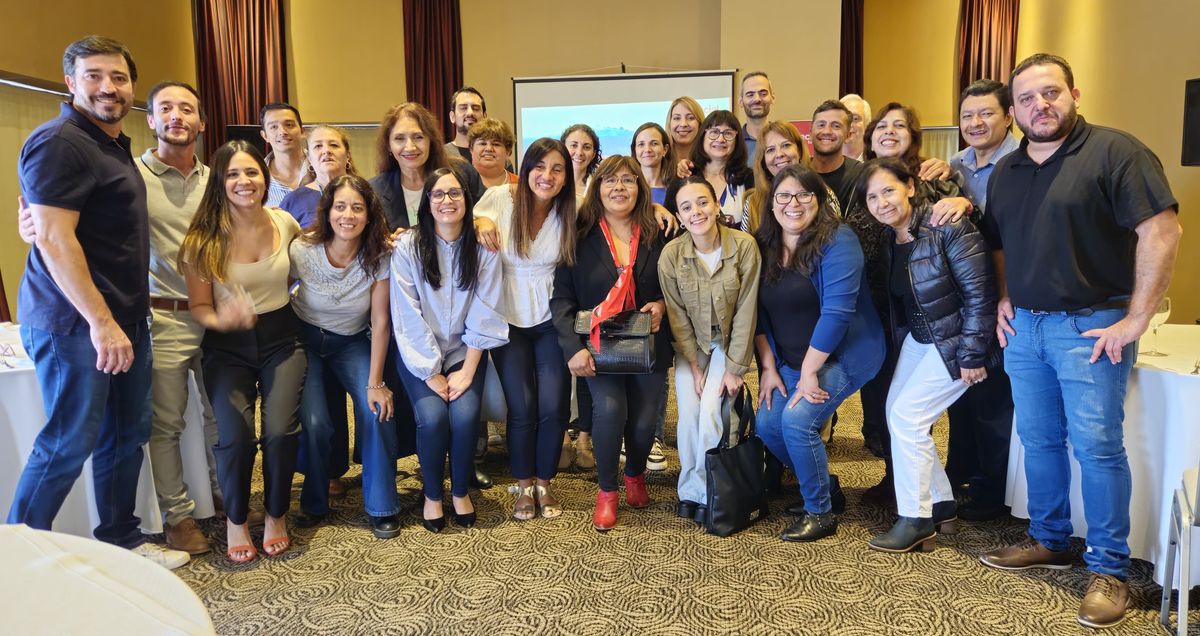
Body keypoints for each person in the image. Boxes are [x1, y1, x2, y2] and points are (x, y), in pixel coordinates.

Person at [978, 53, 1181, 629]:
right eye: (1027, 98)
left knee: (1096, 448)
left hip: (1090, 328)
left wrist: (1136, 318)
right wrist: (1002, 296)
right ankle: (1049, 538)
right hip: (1027, 329)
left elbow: (1161, 231)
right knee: (1038, 440)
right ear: (1014, 110)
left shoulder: (1117, 152)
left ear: (1074, 94)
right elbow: (998, 243)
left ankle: (1109, 568)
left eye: (1051, 93)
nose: (1040, 105)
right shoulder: (1009, 170)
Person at [10, 35, 190, 569]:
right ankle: (18, 561)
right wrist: (101, 322)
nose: (108, 87)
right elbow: (55, 240)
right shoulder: (60, 141)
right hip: (76, 325)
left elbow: (60, 225)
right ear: (70, 83)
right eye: (93, 75)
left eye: (118, 77)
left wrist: (119, 321)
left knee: (125, 434)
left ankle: (122, 540)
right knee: (68, 441)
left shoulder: (109, 143)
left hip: (122, 318)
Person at [857, 158, 999, 553]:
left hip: (956, 342)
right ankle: (941, 504)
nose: (881, 202)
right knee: (896, 413)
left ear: (910, 187)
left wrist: (971, 356)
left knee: (908, 418)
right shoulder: (891, 239)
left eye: (888, 190)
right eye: (872, 196)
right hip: (920, 339)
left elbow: (980, 294)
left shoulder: (947, 226)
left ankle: (915, 519)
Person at [179, 139, 307, 563]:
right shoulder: (203, 238)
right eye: (232, 174)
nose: (243, 181)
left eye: (251, 172)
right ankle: (236, 519)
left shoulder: (285, 222)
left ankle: (276, 515)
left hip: (282, 338)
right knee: (235, 437)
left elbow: (312, 263)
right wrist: (224, 319)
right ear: (219, 181)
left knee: (278, 430)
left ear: (264, 177)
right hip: (225, 346)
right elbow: (199, 307)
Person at [754, 164, 884, 543]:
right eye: (784, 196)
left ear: (819, 199)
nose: (793, 204)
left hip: (843, 354)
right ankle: (827, 485)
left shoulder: (838, 240)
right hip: (787, 358)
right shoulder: (765, 244)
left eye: (803, 195)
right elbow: (755, 310)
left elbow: (837, 313)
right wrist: (767, 367)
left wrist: (810, 371)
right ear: (772, 203)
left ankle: (820, 511)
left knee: (797, 422)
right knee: (766, 425)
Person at [848, 102, 970, 501]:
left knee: (913, 410)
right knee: (886, 398)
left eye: (899, 125)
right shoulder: (861, 181)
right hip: (883, 306)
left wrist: (965, 202)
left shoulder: (935, 180)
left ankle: (922, 500)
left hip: (935, 317)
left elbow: (966, 253)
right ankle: (900, 479)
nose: (889, 131)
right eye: (881, 126)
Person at [551, 155, 672, 532]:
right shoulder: (579, 233)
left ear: (641, 187)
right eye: (610, 181)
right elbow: (561, 299)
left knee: (643, 420)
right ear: (596, 188)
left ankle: (634, 474)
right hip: (598, 346)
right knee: (609, 411)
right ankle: (607, 491)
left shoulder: (662, 231)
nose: (619, 188)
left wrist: (664, 304)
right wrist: (572, 348)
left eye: (628, 180)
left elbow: (683, 284)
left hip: (650, 345)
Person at [391, 165, 508, 533]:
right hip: (419, 354)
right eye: (438, 194)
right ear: (427, 202)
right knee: (433, 418)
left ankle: (459, 491)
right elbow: (406, 314)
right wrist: (431, 371)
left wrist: (468, 370)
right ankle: (431, 494)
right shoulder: (408, 246)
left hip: (464, 352)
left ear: (467, 199)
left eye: (454, 193)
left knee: (463, 417)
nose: (446, 201)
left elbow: (486, 310)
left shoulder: (483, 247)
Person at [290, 175, 401, 539]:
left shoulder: (379, 255)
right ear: (327, 210)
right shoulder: (302, 250)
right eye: (340, 206)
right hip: (306, 341)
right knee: (316, 422)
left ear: (369, 215)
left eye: (357, 208)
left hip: (351, 342)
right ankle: (314, 501)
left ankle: (382, 506)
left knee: (377, 409)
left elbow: (380, 321)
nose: (348, 215)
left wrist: (376, 382)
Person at [475, 138, 577, 520]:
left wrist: (653, 203)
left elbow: (617, 211)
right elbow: (462, 217)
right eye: (539, 166)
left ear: (566, 177)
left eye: (557, 169)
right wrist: (479, 219)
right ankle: (522, 483)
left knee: (553, 406)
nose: (547, 176)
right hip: (506, 316)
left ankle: (544, 484)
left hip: (552, 316)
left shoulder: (573, 208)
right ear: (526, 167)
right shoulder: (501, 197)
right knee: (521, 407)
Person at [658, 175, 760, 523]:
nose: (696, 211)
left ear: (717, 205)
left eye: (703, 202)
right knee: (688, 413)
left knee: (710, 416)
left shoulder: (744, 246)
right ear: (679, 215)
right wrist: (694, 364)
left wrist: (733, 368)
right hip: (694, 347)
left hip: (730, 343)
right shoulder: (671, 255)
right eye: (686, 207)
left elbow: (747, 310)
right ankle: (690, 490)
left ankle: (709, 491)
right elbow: (677, 315)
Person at [944, 79, 1020, 521]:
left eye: (986, 113)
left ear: (1008, 116)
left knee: (995, 397)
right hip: (965, 298)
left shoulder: (1022, 162)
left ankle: (993, 492)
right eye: (967, 115)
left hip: (1005, 297)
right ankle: (963, 473)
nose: (975, 123)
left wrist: (1003, 297)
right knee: (962, 393)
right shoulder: (956, 165)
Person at [745, 120, 831, 233]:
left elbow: (835, 238)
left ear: (799, 151)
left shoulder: (823, 192)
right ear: (763, 160)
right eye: (770, 150)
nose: (779, 154)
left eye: (786, 145)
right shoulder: (752, 203)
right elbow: (746, 248)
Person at [685, 110, 755, 230]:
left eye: (728, 133)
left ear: (737, 140)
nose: (721, 139)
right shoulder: (687, 174)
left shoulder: (748, 177)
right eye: (714, 132)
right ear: (703, 136)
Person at [279, 125, 358, 228]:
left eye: (334, 145)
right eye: (318, 146)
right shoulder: (293, 200)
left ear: (347, 155)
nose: (326, 151)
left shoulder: (364, 194)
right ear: (310, 159)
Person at [808, 100, 864, 210]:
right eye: (821, 125)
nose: (827, 131)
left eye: (836, 126)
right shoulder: (799, 173)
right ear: (810, 133)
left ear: (848, 136)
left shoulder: (860, 175)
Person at [259, 102, 308, 206]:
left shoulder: (322, 167)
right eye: (273, 127)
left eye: (289, 125)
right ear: (265, 136)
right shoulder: (257, 178)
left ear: (302, 131)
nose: (282, 132)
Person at [468, 118, 518, 188]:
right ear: (471, 149)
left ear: (508, 152)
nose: (489, 149)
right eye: (482, 143)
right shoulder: (459, 182)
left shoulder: (521, 185)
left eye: (496, 144)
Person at [738, 72, 775, 165]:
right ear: (741, 101)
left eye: (763, 93)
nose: (757, 99)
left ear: (772, 97)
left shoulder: (784, 138)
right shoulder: (734, 143)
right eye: (750, 94)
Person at [631, 122, 671, 205]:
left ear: (665, 149)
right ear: (635, 150)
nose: (647, 149)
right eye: (641, 144)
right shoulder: (627, 187)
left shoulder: (675, 188)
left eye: (654, 143)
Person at [665, 96, 705, 176]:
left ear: (700, 124)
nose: (683, 124)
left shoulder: (710, 162)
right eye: (677, 118)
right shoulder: (659, 161)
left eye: (690, 118)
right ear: (669, 124)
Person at [561, 124, 601, 198]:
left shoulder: (600, 189)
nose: (579, 153)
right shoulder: (551, 183)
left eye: (587, 147)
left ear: (593, 154)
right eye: (574, 145)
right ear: (562, 148)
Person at [840, 93, 871, 161]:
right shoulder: (825, 164)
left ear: (867, 125)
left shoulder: (876, 164)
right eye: (845, 119)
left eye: (855, 119)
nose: (850, 125)